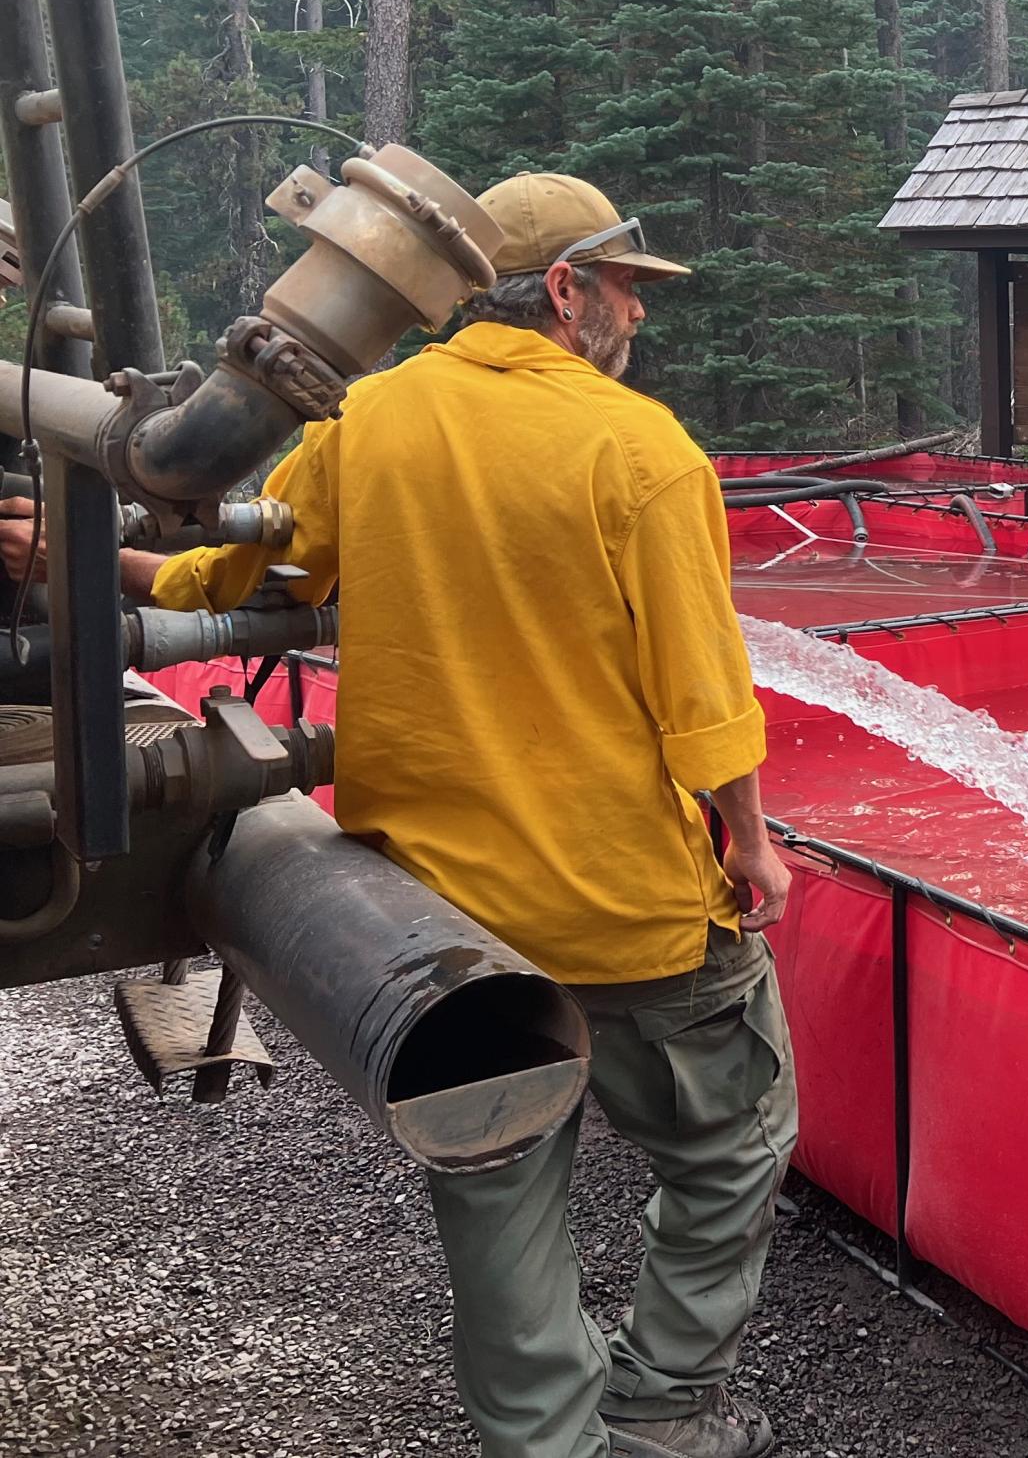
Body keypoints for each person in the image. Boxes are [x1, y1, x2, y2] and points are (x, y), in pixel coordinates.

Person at [126, 174, 796, 1458]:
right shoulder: (642, 450)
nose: (637, 321)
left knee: (497, 1182)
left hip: (437, 923)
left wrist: (69, 557)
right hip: (625, 908)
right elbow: (703, 698)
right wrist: (751, 844)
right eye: (628, 292)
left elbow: (229, 575)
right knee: (732, 1146)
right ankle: (664, 1415)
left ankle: (544, 1442)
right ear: (564, 289)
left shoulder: (367, 419)